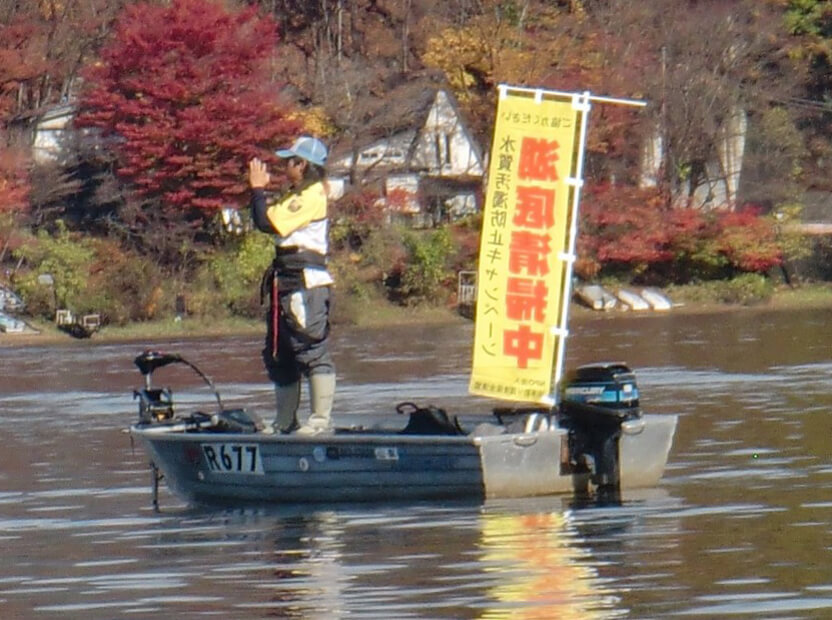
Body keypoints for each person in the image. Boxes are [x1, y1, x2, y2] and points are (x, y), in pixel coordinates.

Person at [248, 136, 335, 435]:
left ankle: (320, 421)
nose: (285, 166)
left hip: (305, 282)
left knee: (310, 346)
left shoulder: (311, 195)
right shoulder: (295, 193)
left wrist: (257, 189)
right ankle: (285, 421)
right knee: (280, 352)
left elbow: (266, 223)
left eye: (290, 161)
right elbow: (266, 218)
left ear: (303, 164)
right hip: (284, 282)